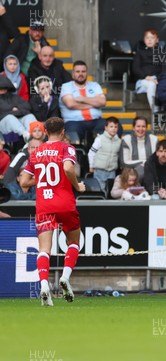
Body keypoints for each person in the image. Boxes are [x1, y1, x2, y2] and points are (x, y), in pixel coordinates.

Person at [21, 116, 86, 306]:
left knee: (44, 250)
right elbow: (67, 168)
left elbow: (24, 182)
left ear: (46, 132)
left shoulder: (36, 152)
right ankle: (65, 277)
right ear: (63, 132)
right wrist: (77, 186)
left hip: (44, 205)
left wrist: (42, 179)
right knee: (74, 241)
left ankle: (43, 286)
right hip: (65, 204)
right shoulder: (67, 148)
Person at [59, 60, 107, 144]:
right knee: (72, 134)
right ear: (73, 73)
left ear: (86, 73)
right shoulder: (66, 86)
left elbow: (102, 102)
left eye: (83, 71)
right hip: (74, 121)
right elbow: (70, 104)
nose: (80, 74)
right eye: (77, 71)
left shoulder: (95, 85)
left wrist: (82, 99)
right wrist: (93, 103)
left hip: (96, 121)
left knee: (112, 127)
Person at [88, 117, 121, 193]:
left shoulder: (119, 141)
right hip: (100, 170)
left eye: (115, 127)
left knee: (110, 190)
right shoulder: (100, 139)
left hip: (112, 171)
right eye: (111, 126)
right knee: (100, 189)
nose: (113, 129)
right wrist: (91, 166)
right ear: (106, 128)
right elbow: (91, 152)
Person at [133, 28, 163, 112]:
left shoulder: (162, 53)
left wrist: (158, 78)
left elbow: (165, 68)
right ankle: (155, 112)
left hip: (158, 80)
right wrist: (146, 77)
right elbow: (136, 68)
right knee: (151, 84)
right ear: (144, 40)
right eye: (147, 38)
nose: (149, 40)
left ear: (157, 40)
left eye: (152, 38)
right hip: (143, 81)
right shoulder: (140, 53)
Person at [0, 74, 36, 140]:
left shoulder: (14, 97)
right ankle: (26, 136)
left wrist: (12, 111)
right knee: (9, 118)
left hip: (18, 121)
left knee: (30, 116)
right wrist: (15, 110)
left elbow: (27, 108)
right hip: (3, 125)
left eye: (4, 88)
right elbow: (2, 115)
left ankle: (34, 135)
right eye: (0, 88)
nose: (2, 90)